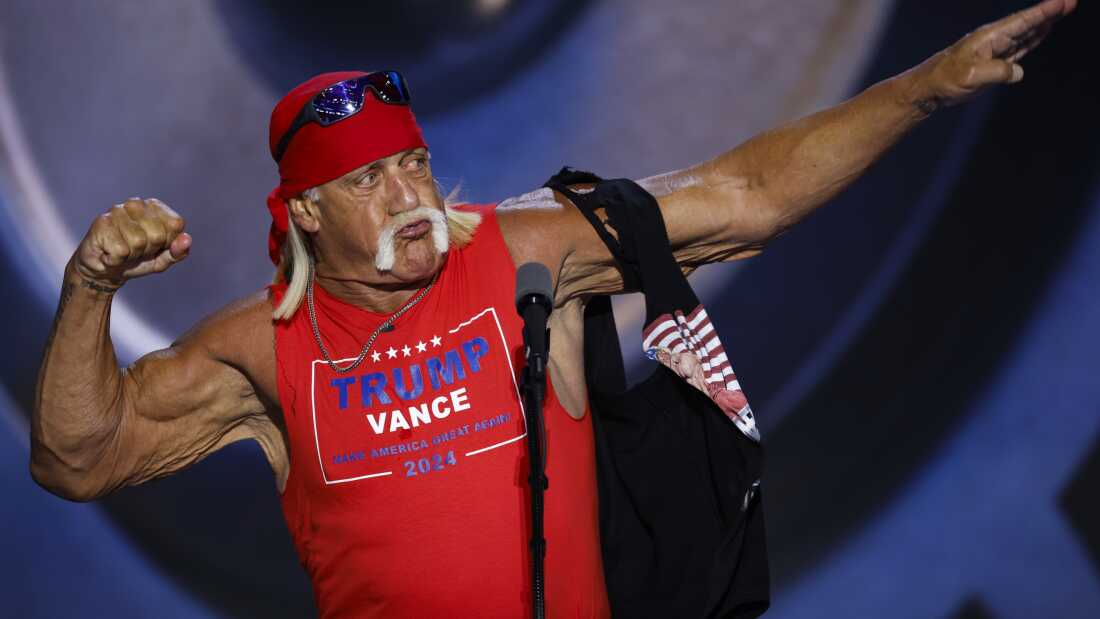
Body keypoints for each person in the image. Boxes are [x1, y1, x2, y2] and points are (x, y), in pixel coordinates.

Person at [30, 2, 1075, 616]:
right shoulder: (259, 352)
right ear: (304, 211)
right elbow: (78, 458)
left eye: (413, 168)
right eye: (367, 182)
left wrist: (924, 89)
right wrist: (87, 289)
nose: (405, 201)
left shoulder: (525, 251)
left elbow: (745, 197)